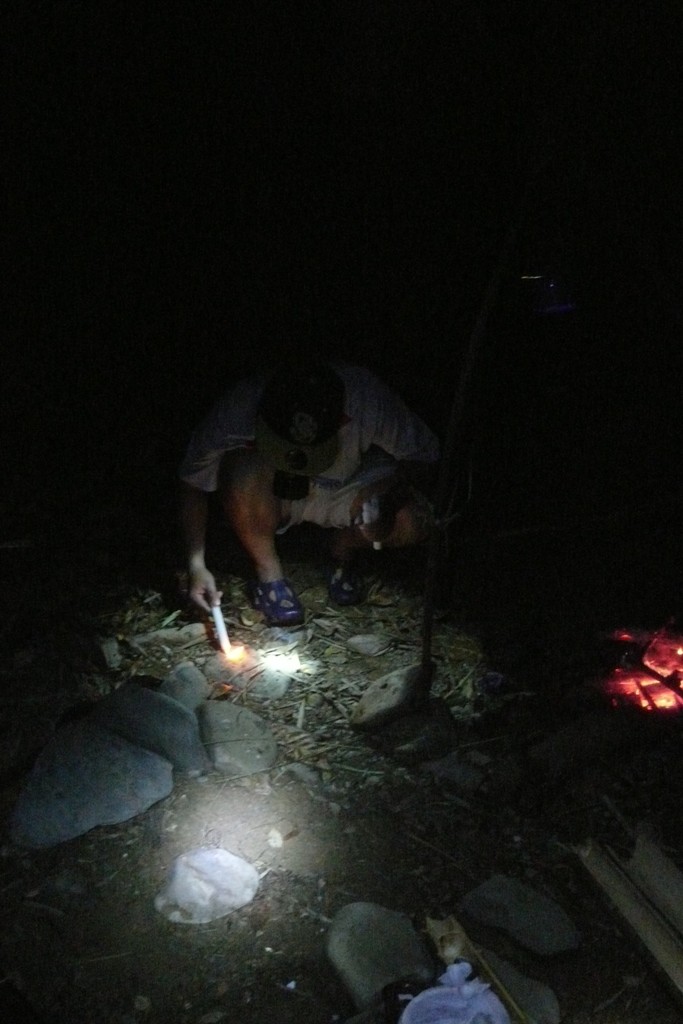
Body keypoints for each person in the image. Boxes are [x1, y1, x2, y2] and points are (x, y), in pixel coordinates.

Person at [179, 356, 440, 626]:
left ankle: (342, 549)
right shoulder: (241, 404)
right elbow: (192, 482)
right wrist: (196, 565)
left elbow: (425, 457)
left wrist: (388, 504)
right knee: (239, 466)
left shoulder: (365, 396)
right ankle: (269, 574)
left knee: (413, 519)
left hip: (346, 487)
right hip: (270, 492)